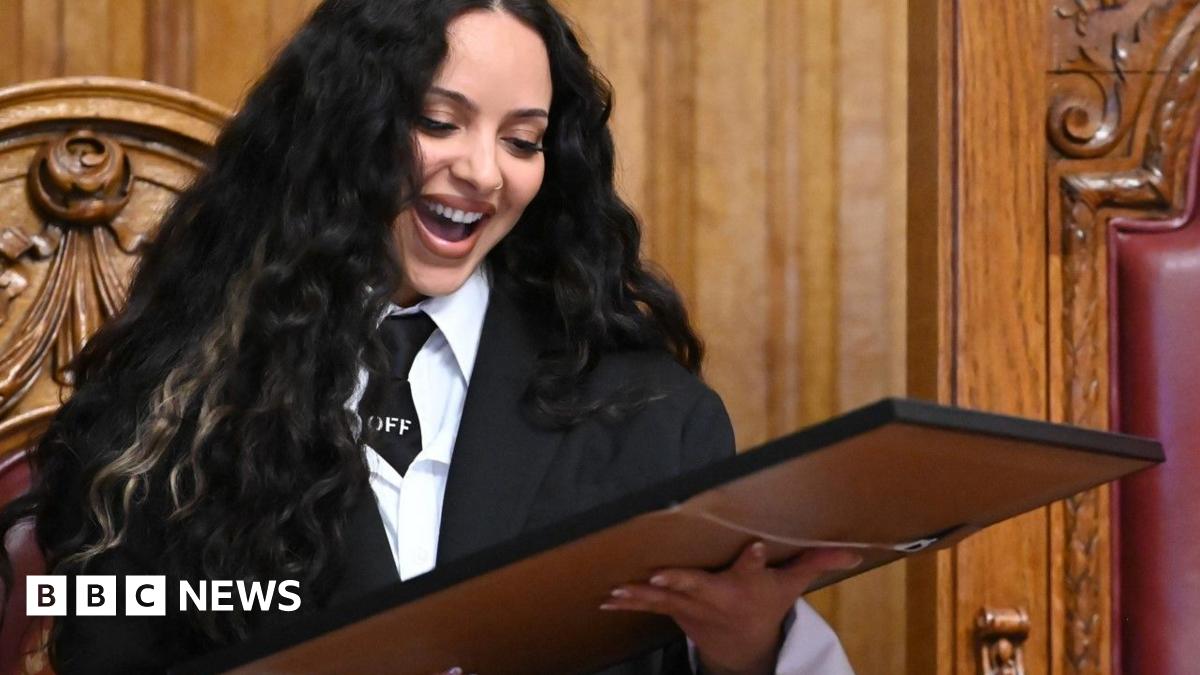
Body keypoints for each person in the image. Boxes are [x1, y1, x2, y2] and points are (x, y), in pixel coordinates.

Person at [0, 1, 859, 673]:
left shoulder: (652, 415)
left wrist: (745, 652)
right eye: (439, 123)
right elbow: (115, 623)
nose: (484, 171)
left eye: (522, 139)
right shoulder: (173, 405)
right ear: (343, 131)